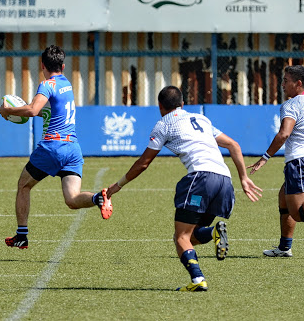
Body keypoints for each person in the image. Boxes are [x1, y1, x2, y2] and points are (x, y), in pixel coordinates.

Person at [106, 85, 262, 292]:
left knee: (180, 237)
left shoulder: (163, 124)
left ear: (160, 106)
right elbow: (234, 145)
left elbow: (143, 163)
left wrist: (118, 186)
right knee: (193, 235)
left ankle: (198, 280)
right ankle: (213, 233)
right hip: (224, 181)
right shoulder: (202, 119)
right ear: (182, 104)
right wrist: (243, 177)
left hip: (201, 178)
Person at [0, 45, 112, 249]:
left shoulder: (47, 84)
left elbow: (33, 110)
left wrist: (8, 110)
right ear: (63, 66)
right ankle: (98, 198)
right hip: (72, 148)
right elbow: (48, 112)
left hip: (53, 146)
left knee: (24, 185)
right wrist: (26, 111)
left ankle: (21, 235)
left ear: (42, 65)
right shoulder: (66, 84)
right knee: (72, 199)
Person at [249, 65, 304, 257]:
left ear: (298, 83)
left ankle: (285, 247)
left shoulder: (291, 104)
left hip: (300, 162)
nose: (282, 84)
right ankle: (284, 248)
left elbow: (284, 134)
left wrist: (265, 157)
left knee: (299, 214)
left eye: (286, 80)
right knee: (283, 196)